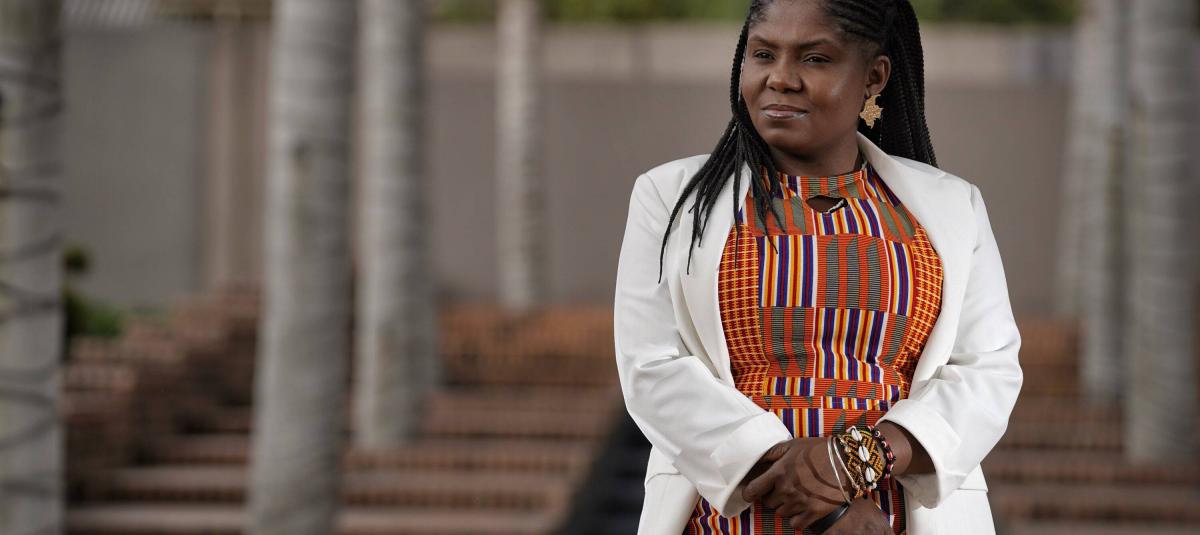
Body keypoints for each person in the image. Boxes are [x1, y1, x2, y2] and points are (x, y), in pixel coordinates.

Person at [612, 1, 1023, 534]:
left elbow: (988, 371)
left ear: (874, 76)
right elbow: (653, 368)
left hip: (894, 516)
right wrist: (830, 507)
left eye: (815, 59)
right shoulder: (670, 198)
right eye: (763, 54)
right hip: (729, 515)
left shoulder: (952, 207)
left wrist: (859, 458)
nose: (781, 78)